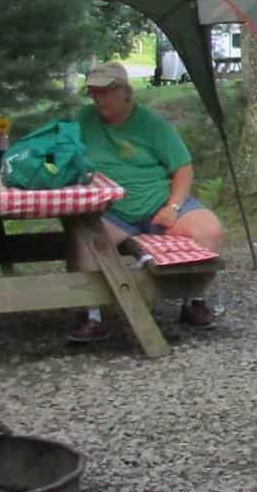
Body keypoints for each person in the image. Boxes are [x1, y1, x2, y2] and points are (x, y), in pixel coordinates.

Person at [66, 61, 225, 342]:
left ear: (126, 92)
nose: (98, 98)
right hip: (112, 210)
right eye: (93, 92)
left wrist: (173, 207)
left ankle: (194, 302)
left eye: (106, 91)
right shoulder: (85, 120)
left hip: (159, 203)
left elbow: (183, 169)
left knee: (209, 232)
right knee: (86, 241)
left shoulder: (152, 124)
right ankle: (91, 316)